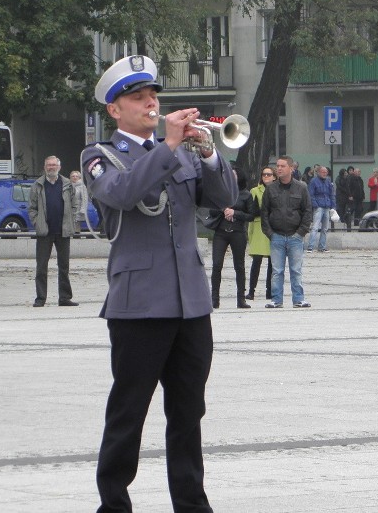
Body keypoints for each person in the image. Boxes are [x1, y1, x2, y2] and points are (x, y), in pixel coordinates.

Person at [82, 55, 237, 513]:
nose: (150, 103)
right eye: (138, 97)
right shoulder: (101, 155)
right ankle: (113, 505)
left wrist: (209, 153)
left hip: (190, 304)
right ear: (115, 109)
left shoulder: (183, 151)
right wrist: (169, 146)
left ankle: (192, 504)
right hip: (139, 305)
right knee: (128, 413)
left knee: (189, 413)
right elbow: (123, 193)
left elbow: (225, 199)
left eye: (153, 95)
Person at [261, 155, 312, 308]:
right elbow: (264, 213)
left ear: (291, 168)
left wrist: (301, 232)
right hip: (276, 236)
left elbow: (307, 211)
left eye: (282, 166)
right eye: (278, 166)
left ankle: (298, 299)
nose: (279, 169)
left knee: (296, 270)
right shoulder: (270, 189)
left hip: (295, 236)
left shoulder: (301, 187)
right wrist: (270, 233)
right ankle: (276, 300)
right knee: (277, 271)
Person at [28, 155, 78, 307]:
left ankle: (64, 298)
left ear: (59, 167)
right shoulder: (37, 185)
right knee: (41, 266)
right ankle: (40, 298)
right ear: (45, 167)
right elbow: (32, 208)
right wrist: (38, 223)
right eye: (49, 165)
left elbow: (75, 206)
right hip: (45, 232)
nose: (51, 167)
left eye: (54, 165)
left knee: (64, 266)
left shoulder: (68, 184)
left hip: (63, 231)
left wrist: (72, 221)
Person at [208, 167, 255, 309]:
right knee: (216, 265)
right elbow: (211, 210)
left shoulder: (246, 195)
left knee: (239, 266)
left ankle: (241, 299)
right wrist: (223, 210)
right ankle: (214, 299)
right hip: (221, 232)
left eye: (233, 174)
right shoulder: (221, 192)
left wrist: (235, 213)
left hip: (238, 232)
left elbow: (251, 215)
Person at [246, 168, 275, 302]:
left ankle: (270, 291)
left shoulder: (277, 190)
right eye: (264, 174)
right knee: (256, 261)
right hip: (258, 227)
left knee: (272, 263)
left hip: (273, 227)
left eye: (269, 174)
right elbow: (251, 210)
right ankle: (251, 291)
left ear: (274, 177)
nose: (266, 177)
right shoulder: (255, 191)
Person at [307, 165, 335, 252]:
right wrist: (315, 205)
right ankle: (310, 246)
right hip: (319, 206)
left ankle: (322, 247)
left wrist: (333, 206)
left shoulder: (328, 181)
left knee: (325, 228)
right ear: (318, 172)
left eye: (326, 172)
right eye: (323, 172)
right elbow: (311, 194)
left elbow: (331, 194)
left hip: (326, 206)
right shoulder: (313, 181)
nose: (325, 174)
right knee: (315, 227)